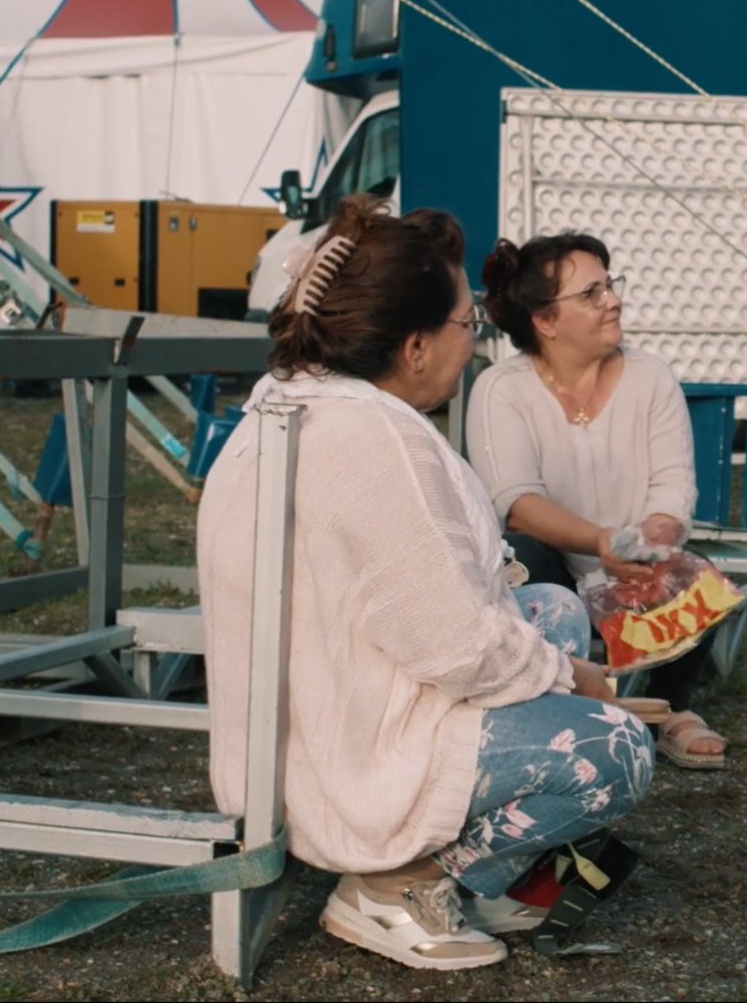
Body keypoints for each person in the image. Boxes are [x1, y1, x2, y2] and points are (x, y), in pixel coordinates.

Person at [197, 194, 654, 971]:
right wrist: (578, 682)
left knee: (550, 609)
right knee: (616, 749)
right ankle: (402, 885)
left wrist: (551, 661)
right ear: (412, 347)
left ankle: (437, 865)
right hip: (346, 757)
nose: (471, 342)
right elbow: (457, 644)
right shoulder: (380, 442)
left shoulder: (288, 401)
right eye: (463, 325)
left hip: (312, 717)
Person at [468, 232, 727, 770]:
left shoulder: (650, 376)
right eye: (591, 294)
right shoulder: (501, 388)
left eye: (610, 286)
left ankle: (672, 707)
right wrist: (598, 542)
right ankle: (555, 702)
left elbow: (674, 487)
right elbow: (514, 501)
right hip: (555, 562)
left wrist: (646, 544)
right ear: (545, 320)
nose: (612, 300)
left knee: (696, 572)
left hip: (634, 558)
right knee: (521, 553)